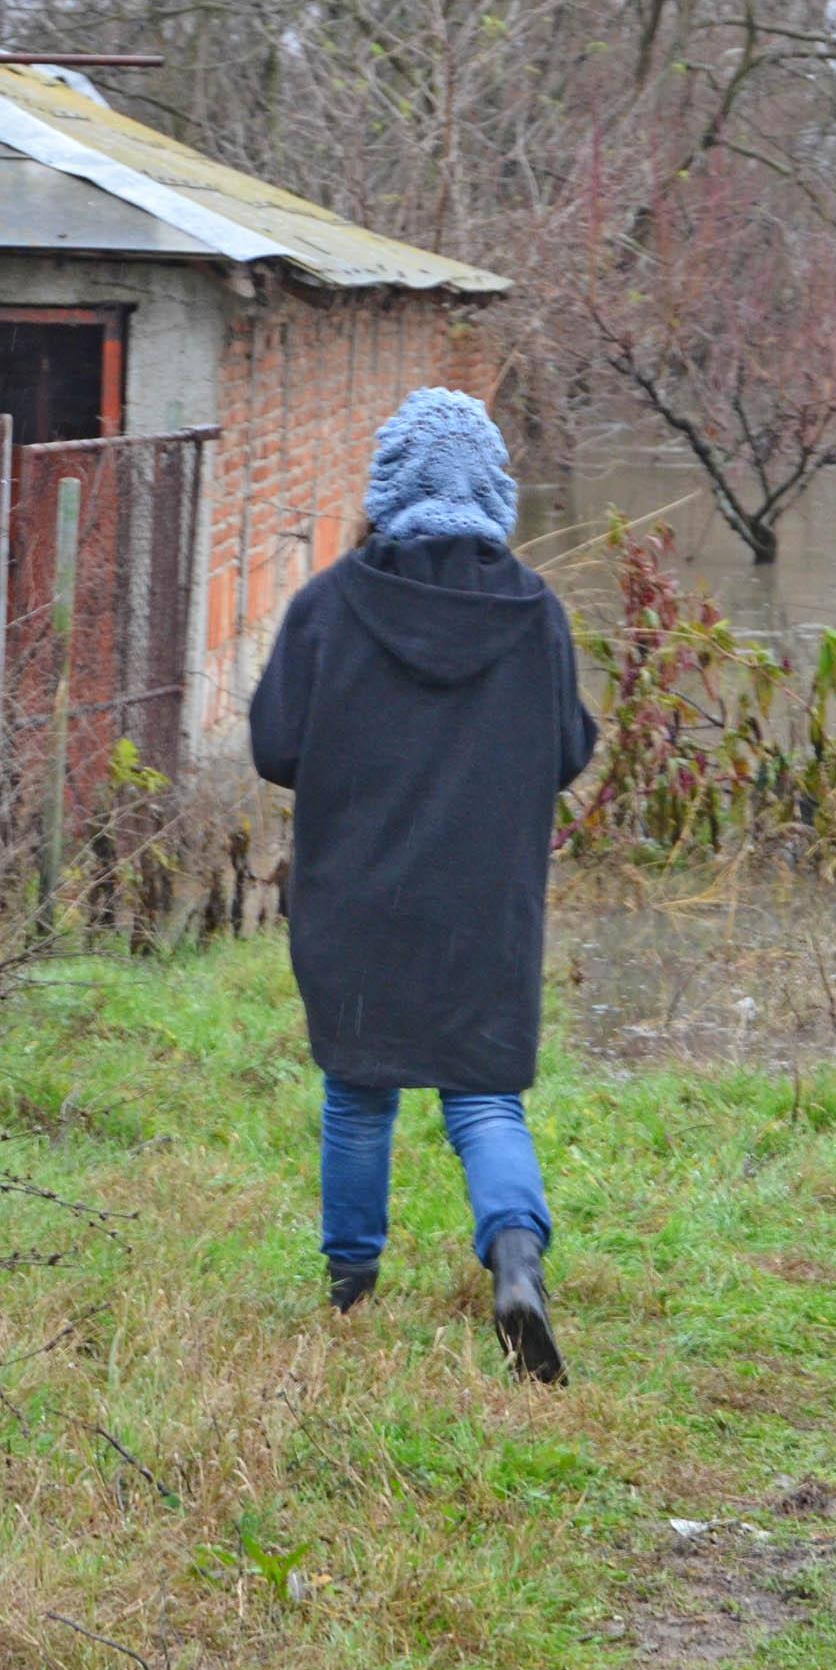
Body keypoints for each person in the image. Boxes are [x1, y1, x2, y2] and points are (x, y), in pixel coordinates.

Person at [248, 389, 597, 1383]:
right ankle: (516, 1261)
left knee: (361, 1099)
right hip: (484, 910)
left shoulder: (329, 603)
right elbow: (568, 751)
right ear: (494, 488)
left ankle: (352, 1290)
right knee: (485, 1103)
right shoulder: (536, 614)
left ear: (387, 484)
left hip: (355, 900)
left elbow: (275, 747)